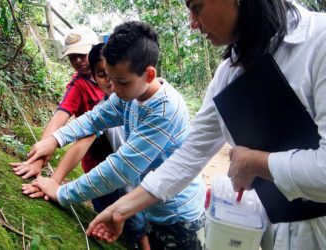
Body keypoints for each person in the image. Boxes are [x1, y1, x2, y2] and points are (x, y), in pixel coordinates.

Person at [85, 1, 326, 250]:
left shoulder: (319, 43)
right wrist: (119, 211)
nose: (192, 22)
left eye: (197, 7)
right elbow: (188, 157)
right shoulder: (227, 76)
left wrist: (256, 163)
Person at [22, 21, 207, 249]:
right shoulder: (129, 95)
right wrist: (54, 139)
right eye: (108, 77)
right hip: (150, 204)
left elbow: (122, 167)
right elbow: (94, 118)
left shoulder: (164, 109)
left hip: (178, 214)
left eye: (121, 81)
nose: (114, 88)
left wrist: (62, 193)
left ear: (149, 75)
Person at [22, 43, 150, 249]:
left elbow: (125, 163)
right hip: (99, 170)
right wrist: (46, 166)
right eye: (102, 74)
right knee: (112, 221)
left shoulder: (134, 99)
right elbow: (79, 129)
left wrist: (60, 188)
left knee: (137, 225)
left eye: (81, 55)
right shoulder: (97, 98)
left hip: (132, 178)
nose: (110, 81)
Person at [10, 27, 113, 180]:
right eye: (72, 57)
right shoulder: (78, 86)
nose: (78, 60)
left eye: (82, 55)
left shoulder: (118, 81)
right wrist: (38, 161)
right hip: (95, 160)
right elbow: (59, 117)